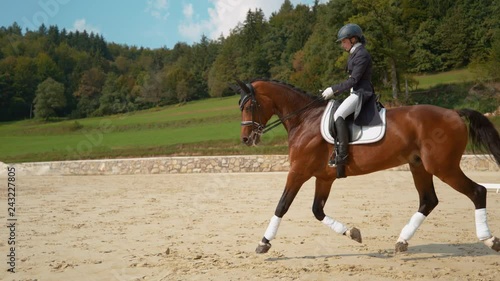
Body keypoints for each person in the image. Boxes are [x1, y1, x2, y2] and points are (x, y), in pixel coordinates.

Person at [321, 23, 374, 168]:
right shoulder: (354, 54)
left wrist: (333, 89)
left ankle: (343, 155)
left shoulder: (362, 54)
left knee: (339, 115)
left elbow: (354, 80)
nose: (342, 45)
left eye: (344, 41)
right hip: (355, 92)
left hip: (362, 92)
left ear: (353, 39)